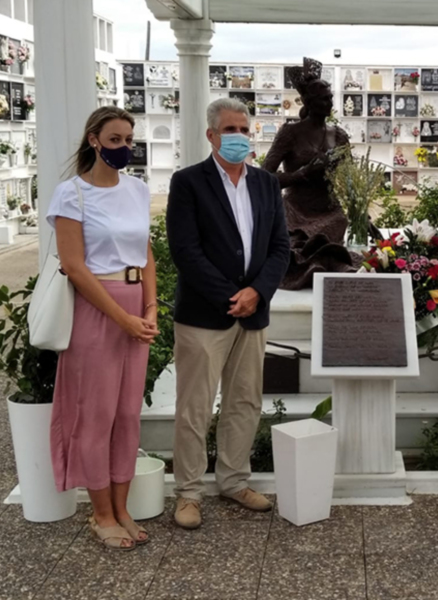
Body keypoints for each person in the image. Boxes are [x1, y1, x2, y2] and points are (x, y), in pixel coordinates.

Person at [166, 98, 291, 529]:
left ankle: (234, 480)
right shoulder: (188, 183)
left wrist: (257, 292)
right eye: (229, 129)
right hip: (204, 315)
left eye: (243, 128)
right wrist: (230, 296)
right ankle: (188, 493)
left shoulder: (266, 184)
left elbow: (280, 247)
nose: (238, 136)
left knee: (244, 401)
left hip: (252, 313)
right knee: (195, 407)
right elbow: (185, 250)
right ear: (211, 135)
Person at [48, 106, 157, 550]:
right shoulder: (70, 194)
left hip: (136, 307)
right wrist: (123, 317)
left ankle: (122, 507)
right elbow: (74, 267)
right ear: (94, 140)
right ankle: (100, 513)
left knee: (128, 414)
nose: (124, 148)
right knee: (96, 415)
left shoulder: (136, 189)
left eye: (129, 140)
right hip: (98, 309)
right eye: (115, 140)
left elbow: (146, 252)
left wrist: (149, 308)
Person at [262, 57, 359, 290]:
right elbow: (264, 178)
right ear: (310, 102)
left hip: (329, 210)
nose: (330, 103)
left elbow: (350, 180)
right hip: (296, 209)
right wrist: (303, 173)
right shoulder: (290, 133)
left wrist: (360, 212)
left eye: (330, 98)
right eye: (324, 99)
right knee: (296, 248)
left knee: (333, 236)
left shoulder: (338, 135)